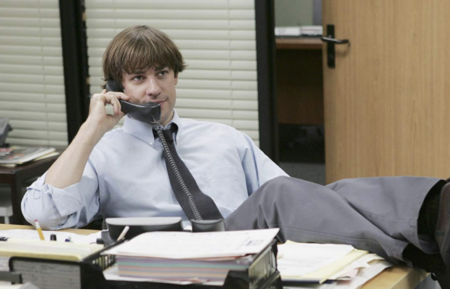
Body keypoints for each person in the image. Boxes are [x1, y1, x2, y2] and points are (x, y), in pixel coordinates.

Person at [21, 25, 449, 287]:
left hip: (247, 244)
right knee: (279, 194)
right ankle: (432, 223)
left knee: (325, 192)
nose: (154, 89)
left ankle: (434, 218)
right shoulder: (99, 152)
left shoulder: (223, 138)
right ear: (117, 88)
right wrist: (91, 129)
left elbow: (305, 200)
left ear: (175, 76)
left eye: (163, 74)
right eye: (138, 78)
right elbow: (43, 214)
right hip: (172, 257)